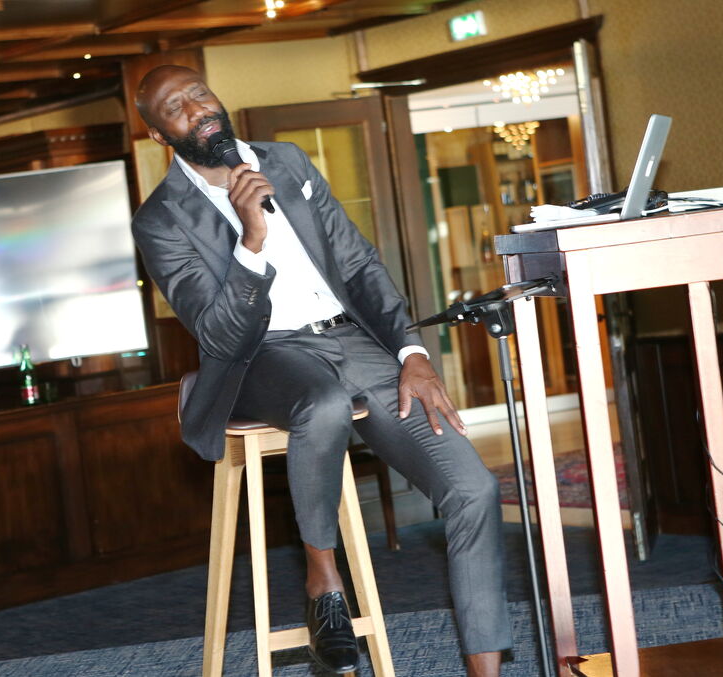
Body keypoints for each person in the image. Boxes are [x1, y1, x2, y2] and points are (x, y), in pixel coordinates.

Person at [131, 65, 511, 677]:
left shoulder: (286, 162)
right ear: (158, 135)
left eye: (199, 93)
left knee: (474, 490)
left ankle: (486, 672)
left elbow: (358, 263)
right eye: (175, 107)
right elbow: (220, 335)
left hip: (352, 342)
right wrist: (251, 241)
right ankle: (323, 579)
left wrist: (411, 354)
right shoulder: (161, 219)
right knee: (324, 403)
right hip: (264, 357)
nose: (196, 108)